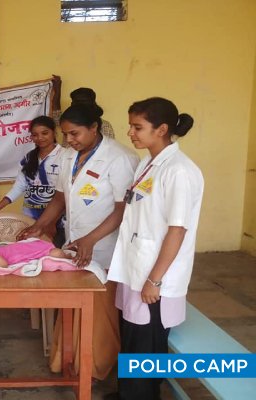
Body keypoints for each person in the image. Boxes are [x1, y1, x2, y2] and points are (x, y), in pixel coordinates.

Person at [18, 103, 139, 381]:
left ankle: (97, 368)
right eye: (66, 135)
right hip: (77, 245)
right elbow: (60, 198)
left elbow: (122, 209)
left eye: (75, 134)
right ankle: (68, 361)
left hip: (105, 246)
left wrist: (90, 240)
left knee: (101, 310)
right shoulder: (70, 156)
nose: (69, 141)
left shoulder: (119, 158)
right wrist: (39, 225)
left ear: (94, 128)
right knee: (74, 303)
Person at [106, 98, 204, 400]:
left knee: (147, 346)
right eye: (132, 126)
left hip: (154, 276)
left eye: (138, 127)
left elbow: (177, 229)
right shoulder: (149, 164)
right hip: (137, 267)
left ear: (162, 129)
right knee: (134, 339)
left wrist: (155, 279)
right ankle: (128, 394)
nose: (131, 133)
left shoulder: (179, 171)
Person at [0, 115, 65, 242]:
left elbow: (65, 193)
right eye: (35, 135)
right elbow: (19, 187)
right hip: (30, 215)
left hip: (56, 218)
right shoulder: (29, 157)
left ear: (54, 132)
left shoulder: (65, 156)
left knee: (55, 253)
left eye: (45, 133)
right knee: (32, 252)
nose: (40, 138)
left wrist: (51, 221)